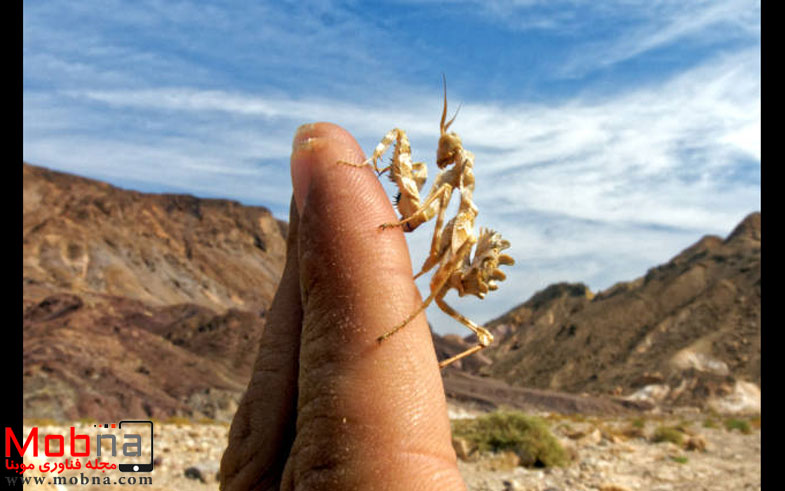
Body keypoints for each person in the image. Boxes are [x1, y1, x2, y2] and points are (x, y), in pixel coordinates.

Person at [219, 123, 467, 490]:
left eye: (448, 148)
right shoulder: (443, 186)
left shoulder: (456, 200)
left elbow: (431, 223)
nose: (441, 152)